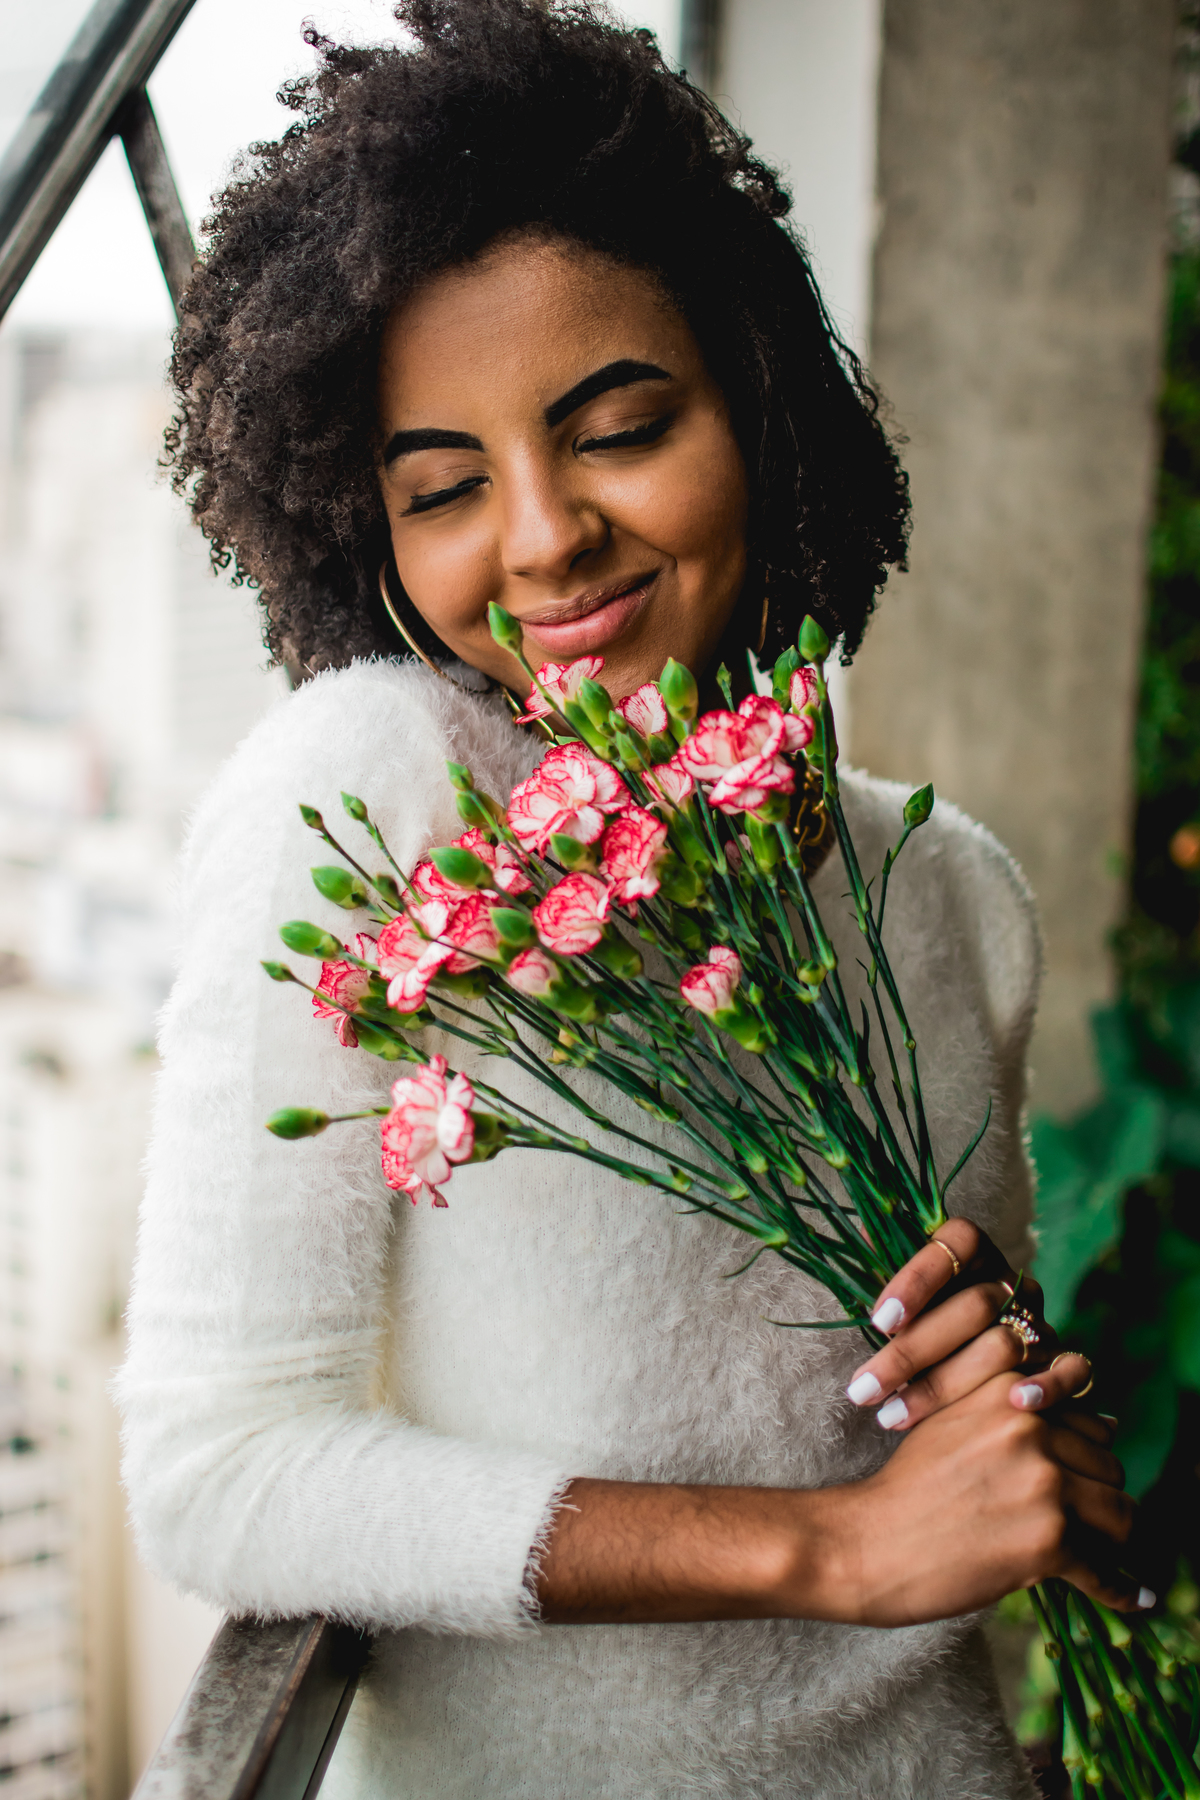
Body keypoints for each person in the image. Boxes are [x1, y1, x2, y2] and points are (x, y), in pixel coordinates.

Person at [118, 3, 1145, 1795]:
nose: (538, 540)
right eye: (442, 486)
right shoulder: (373, 797)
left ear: (756, 397)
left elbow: (972, 1490)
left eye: (619, 428)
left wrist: (1025, 1437)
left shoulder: (950, 891)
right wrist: (826, 1549)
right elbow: (221, 1468)